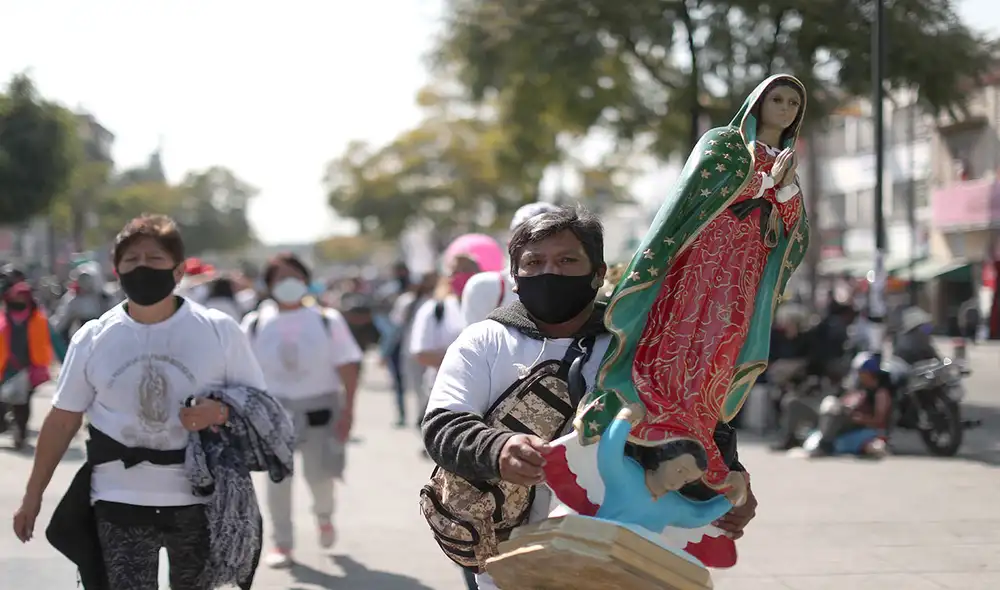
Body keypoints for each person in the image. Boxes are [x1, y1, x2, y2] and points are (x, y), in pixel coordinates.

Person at [421, 208, 757, 589]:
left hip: (629, 558)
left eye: (567, 260)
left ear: (598, 273)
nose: (551, 272)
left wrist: (732, 483)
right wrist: (499, 448)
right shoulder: (484, 341)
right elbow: (443, 426)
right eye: (534, 262)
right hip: (516, 560)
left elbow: (697, 427)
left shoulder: (645, 346)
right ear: (515, 277)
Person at [11, 214, 283, 590]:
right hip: (117, 498)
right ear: (117, 271)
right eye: (131, 261)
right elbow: (62, 421)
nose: (142, 268)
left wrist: (218, 412)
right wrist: (32, 497)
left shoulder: (218, 330)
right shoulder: (93, 337)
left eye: (154, 260)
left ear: (178, 270)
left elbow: (260, 407)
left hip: (199, 500)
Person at [578, 74, 810, 500]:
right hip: (700, 261)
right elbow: (701, 193)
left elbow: (795, 229)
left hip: (744, 273)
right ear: (757, 101)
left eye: (793, 103)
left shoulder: (788, 161)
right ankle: (652, 408)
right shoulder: (723, 142)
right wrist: (766, 184)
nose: (785, 108)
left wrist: (786, 187)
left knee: (720, 344)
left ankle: (696, 424)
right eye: (776, 98)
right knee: (680, 330)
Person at [242, 252, 363, 569]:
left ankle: (324, 516)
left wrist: (349, 409)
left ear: (306, 281)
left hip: (320, 409)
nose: (288, 284)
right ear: (268, 285)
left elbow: (348, 364)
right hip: (274, 412)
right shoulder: (255, 323)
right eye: (279, 278)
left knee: (319, 476)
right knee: (277, 480)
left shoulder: (326, 319)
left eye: (294, 277)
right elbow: (242, 371)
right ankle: (282, 544)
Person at [459, 202, 560, 325]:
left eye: (549, 235)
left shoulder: (576, 284)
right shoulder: (485, 286)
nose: (538, 243)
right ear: (509, 244)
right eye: (526, 235)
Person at [0, 281, 66, 449]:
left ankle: (20, 435)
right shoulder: (3, 318)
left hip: (29, 370)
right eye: (17, 296)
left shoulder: (39, 320)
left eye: (23, 296)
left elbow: (55, 342)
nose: (20, 299)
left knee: (23, 405)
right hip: (5, 369)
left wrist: (67, 362)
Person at [51, 263, 114, 342]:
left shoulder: (105, 298)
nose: (85, 283)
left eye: (88, 279)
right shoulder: (73, 298)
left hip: (105, 337)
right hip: (82, 339)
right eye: (83, 279)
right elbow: (60, 321)